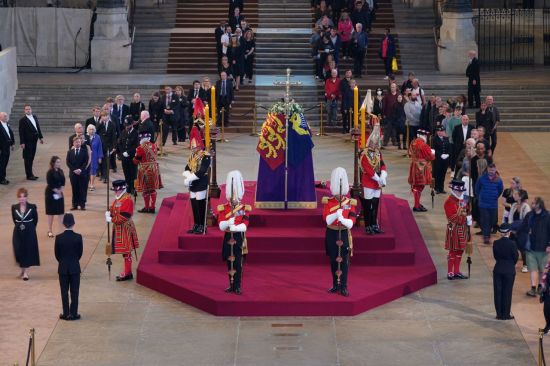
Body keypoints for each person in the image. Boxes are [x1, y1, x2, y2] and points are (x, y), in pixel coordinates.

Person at [323, 167, 357, 297]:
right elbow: (326, 219)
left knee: (344, 261)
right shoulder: (328, 202)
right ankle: (335, 284)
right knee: (333, 260)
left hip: (343, 233)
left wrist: (343, 219)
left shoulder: (350, 202)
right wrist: (335, 215)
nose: (339, 194)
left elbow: (352, 221)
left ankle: (343, 286)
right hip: (331, 234)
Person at [217, 170, 251, 294]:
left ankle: (237, 286)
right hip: (227, 238)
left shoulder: (244, 208)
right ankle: (230, 285)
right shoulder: (223, 208)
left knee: (238, 263)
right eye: (232, 196)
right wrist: (227, 223)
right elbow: (220, 224)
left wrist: (235, 227)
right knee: (229, 263)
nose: (234, 199)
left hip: (239, 238)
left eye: (236, 196)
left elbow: (245, 224)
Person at [105, 180, 139, 281]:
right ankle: (128, 272)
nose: (116, 192)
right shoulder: (118, 198)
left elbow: (124, 216)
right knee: (125, 252)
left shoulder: (127, 199)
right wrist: (109, 212)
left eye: (117, 190)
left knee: (126, 251)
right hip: (119, 228)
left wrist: (111, 219)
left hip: (124, 228)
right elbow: (114, 208)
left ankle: (128, 273)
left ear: (123, 189)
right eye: (115, 190)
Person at [517, 197, 550, 297]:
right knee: (533, 269)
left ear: (539, 205)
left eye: (534, 203)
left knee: (542, 269)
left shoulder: (547, 217)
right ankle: (533, 288)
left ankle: (541, 286)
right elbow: (523, 227)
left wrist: (549, 245)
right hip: (531, 247)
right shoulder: (529, 215)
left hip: (544, 248)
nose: (532, 204)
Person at [360, 122, 387, 235]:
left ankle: (374, 224)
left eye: (377, 143)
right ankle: (368, 225)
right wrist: (379, 179)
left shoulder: (378, 153)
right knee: (367, 205)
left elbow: (382, 165)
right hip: (368, 182)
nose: (376, 145)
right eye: (374, 143)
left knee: (375, 205)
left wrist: (383, 176)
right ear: (370, 142)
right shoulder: (364, 154)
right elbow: (368, 170)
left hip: (377, 183)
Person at [54, 213, 83, 321]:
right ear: (73, 223)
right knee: (75, 291)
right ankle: (74, 313)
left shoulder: (59, 238)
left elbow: (57, 254)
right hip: (75, 267)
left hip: (62, 268)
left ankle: (66, 313)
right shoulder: (78, 237)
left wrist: (62, 262)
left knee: (64, 292)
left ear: (63, 224)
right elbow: (80, 253)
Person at [183, 134, 211, 234]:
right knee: (194, 204)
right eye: (192, 146)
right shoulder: (192, 156)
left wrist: (190, 178)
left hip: (201, 182)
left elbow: (202, 170)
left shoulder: (205, 156)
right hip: (193, 184)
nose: (192, 148)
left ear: (199, 146)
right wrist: (187, 176)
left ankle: (202, 225)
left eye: (194, 147)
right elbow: (187, 167)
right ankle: (196, 224)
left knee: (200, 204)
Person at [444, 179, 471, 280]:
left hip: (463, 229)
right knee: (453, 251)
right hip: (453, 229)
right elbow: (452, 218)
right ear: (453, 190)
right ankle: (450, 271)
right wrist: (464, 218)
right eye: (458, 191)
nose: (460, 192)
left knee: (460, 251)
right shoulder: (448, 202)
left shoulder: (463, 201)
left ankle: (456, 271)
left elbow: (467, 212)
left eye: (461, 191)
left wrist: (469, 219)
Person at [12, 188, 40, 281]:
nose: (22, 199)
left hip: (29, 231)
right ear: (18, 198)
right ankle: (22, 270)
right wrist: (19, 226)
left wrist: (31, 227)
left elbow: (35, 219)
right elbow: (14, 220)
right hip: (18, 231)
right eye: (20, 197)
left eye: (24, 197)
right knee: (19, 250)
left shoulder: (32, 207)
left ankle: (25, 273)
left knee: (27, 250)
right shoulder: (14, 207)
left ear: (27, 197)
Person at [492, 223, 518, 320]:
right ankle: (506, 314)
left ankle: (499, 314)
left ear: (500, 233)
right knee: (507, 292)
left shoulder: (496, 243)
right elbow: (515, 257)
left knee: (498, 292)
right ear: (509, 232)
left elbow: (496, 256)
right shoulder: (512, 244)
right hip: (509, 270)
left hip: (498, 269)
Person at [133, 132, 163, 213]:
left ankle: (146, 207)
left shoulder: (140, 148)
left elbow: (136, 161)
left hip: (145, 170)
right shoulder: (154, 146)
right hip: (154, 169)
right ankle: (152, 207)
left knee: (146, 190)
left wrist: (134, 158)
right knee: (153, 189)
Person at [475, 163, 503, 244]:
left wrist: (495, 196)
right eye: (490, 170)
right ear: (487, 169)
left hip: (493, 204)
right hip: (483, 204)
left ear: (495, 170)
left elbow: (500, 190)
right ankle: (486, 236)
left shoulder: (498, 180)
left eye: (493, 170)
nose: (491, 171)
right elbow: (477, 189)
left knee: (493, 220)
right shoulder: (481, 178)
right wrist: (481, 197)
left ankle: (487, 233)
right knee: (485, 220)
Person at [408, 129, 435, 212]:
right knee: (419, 186)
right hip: (421, 167)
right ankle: (416, 205)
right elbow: (431, 157)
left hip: (414, 165)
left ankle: (417, 204)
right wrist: (433, 153)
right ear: (423, 136)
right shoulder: (424, 145)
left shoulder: (412, 142)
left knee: (416, 185)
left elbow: (409, 153)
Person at [19, 105, 44, 180]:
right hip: (27, 142)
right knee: (27, 158)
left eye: (29, 109)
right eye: (26, 109)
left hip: (34, 141)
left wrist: (40, 137)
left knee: (32, 158)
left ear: (31, 110)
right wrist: (22, 142)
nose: (28, 110)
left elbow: (37, 127)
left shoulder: (35, 117)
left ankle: (31, 174)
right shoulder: (22, 120)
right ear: (24, 111)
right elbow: (21, 132)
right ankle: (29, 175)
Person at [509, 189, 530, 273]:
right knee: (512, 247)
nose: (513, 195)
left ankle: (525, 265)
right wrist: (511, 228)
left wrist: (517, 230)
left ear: (520, 197)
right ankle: (512, 263)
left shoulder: (526, 207)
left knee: (523, 249)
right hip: (513, 230)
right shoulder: (513, 205)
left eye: (515, 194)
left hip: (522, 231)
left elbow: (525, 221)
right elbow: (510, 218)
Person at [66, 137, 89, 211]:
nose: (77, 143)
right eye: (76, 142)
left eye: (79, 142)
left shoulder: (84, 151)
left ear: (81, 143)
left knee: (82, 189)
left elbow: (86, 162)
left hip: (82, 174)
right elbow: (68, 162)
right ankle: (74, 205)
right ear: (73, 143)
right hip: (73, 174)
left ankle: (82, 205)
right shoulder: (70, 152)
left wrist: (80, 170)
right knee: (74, 189)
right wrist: (74, 170)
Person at [45, 156, 66, 238]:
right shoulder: (49, 172)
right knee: (51, 213)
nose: (59, 163)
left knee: (61, 212)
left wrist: (61, 189)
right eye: (57, 162)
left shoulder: (61, 171)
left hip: (60, 193)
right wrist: (57, 191)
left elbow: (63, 181)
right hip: (51, 194)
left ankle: (61, 230)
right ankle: (50, 230)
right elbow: (50, 183)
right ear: (53, 163)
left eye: (59, 162)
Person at [118, 117, 139, 196]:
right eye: (126, 125)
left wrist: (129, 152)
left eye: (128, 125)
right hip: (124, 157)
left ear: (132, 125)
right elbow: (119, 143)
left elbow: (136, 146)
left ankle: (134, 188)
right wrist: (122, 152)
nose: (127, 127)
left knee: (133, 174)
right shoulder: (123, 132)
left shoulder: (136, 133)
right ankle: (128, 187)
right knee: (126, 173)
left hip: (132, 157)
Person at [97, 111, 117, 182]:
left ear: (108, 116)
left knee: (106, 162)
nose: (104, 117)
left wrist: (114, 146)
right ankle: (102, 175)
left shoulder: (112, 124)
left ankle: (106, 177)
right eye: (102, 116)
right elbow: (96, 131)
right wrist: (99, 122)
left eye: (105, 116)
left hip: (108, 146)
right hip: (100, 146)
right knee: (101, 161)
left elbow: (114, 136)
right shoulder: (100, 124)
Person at [433, 126, 451, 194]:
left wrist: (448, 154)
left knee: (443, 174)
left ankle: (441, 188)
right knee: (437, 174)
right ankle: (436, 188)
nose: (441, 132)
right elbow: (434, 149)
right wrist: (440, 155)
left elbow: (449, 148)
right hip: (437, 160)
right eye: (439, 131)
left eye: (442, 131)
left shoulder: (446, 138)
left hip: (445, 160)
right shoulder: (434, 139)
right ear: (437, 132)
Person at [86, 124, 103, 192]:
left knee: (93, 170)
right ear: (88, 130)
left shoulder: (97, 137)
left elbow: (100, 148)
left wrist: (100, 157)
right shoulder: (85, 137)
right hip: (86, 157)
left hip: (94, 157)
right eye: (90, 129)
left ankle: (92, 184)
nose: (92, 131)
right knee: (88, 170)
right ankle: (88, 183)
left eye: (93, 129)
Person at [0, 112, 15, 185]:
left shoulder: (6, 124)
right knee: (2, 164)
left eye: (6, 116)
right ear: (0, 117)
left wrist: (12, 144)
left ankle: (3, 177)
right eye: (5, 116)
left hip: (7, 147)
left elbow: (10, 134)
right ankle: (1, 179)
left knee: (5, 163)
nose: (6, 117)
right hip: (2, 148)